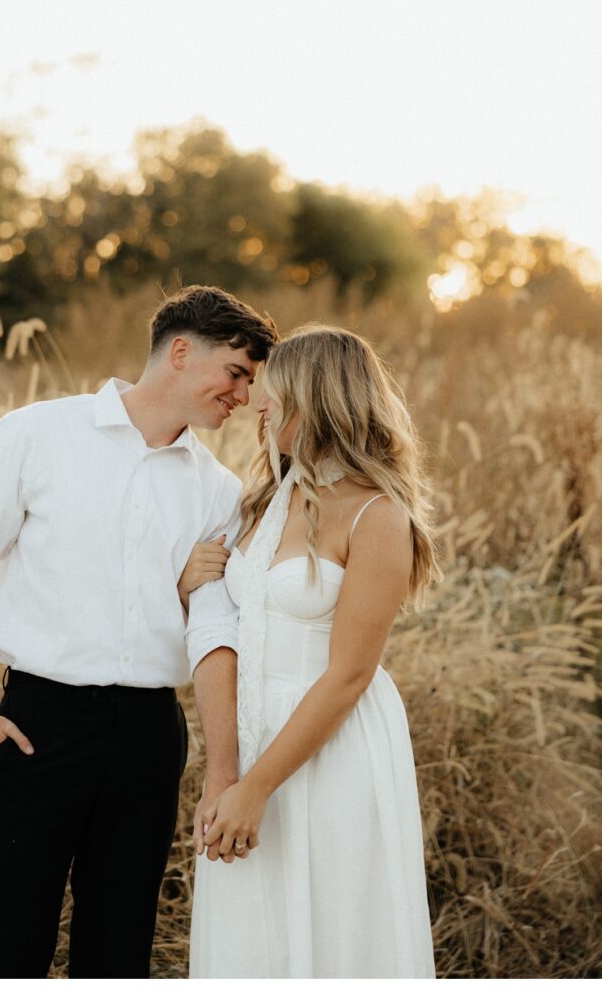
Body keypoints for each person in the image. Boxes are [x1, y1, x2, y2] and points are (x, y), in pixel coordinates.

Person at [0, 285, 273, 977]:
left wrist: (222, 766)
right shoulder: (35, 433)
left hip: (149, 738)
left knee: (117, 953)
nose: (242, 395)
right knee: (5, 945)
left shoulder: (219, 490)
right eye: (235, 373)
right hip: (36, 728)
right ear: (180, 351)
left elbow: (212, 630)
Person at [183, 325, 438, 976]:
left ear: (319, 399)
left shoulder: (377, 515)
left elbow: (351, 674)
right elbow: (227, 625)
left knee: (331, 931)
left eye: (276, 392)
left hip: (330, 747)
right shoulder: (264, 501)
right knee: (252, 932)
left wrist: (257, 786)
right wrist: (228, 771)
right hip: (250, 735)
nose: (260, 404)